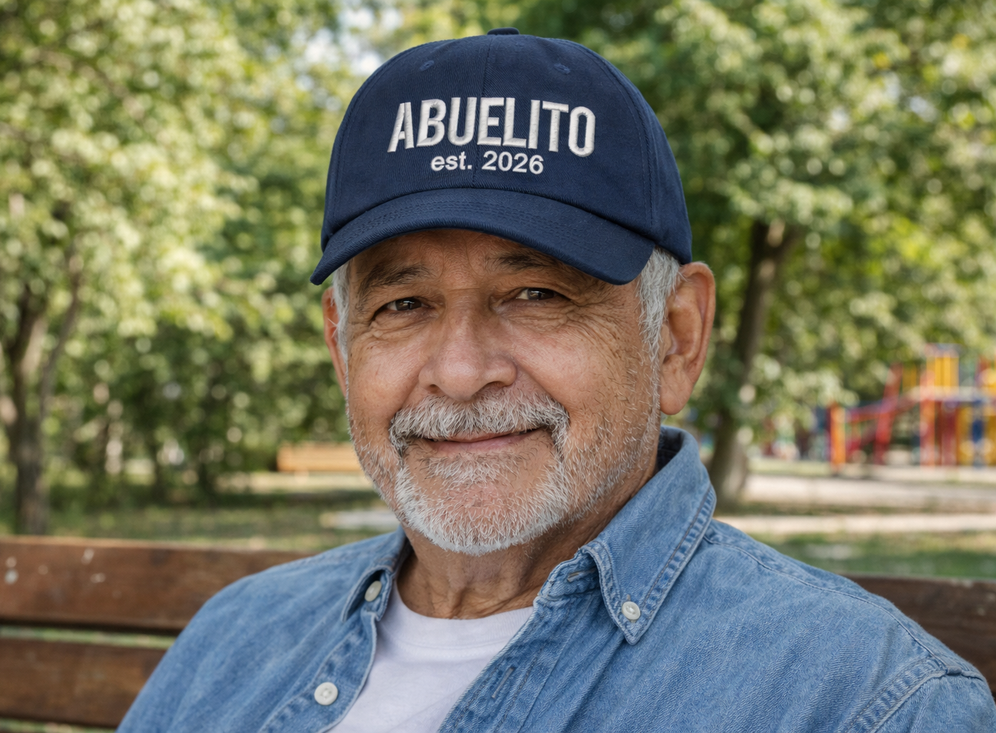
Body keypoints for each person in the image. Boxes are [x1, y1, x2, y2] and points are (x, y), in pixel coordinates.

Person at [119, 30, 996, 732]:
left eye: (535, 293)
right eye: (405, 303)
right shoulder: (234, 637)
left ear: (675, 339)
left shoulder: (865, 704)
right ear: (344, 350)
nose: (460, 373)